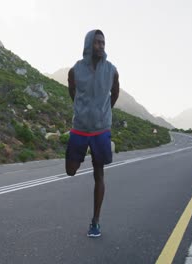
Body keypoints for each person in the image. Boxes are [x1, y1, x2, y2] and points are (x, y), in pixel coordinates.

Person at [66, 29, 120, 238]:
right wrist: (81, 109)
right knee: (70, 170)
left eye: (103, 42)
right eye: (97, 42)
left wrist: (103, 111)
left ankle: (95, 222)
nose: (101, 46)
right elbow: (72, 91)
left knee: (99, 173)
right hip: (80, 127)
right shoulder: (75, 70)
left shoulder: (112, 70)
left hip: (100, 129)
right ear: (89, 44)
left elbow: (115, 93)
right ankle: (79, 156)